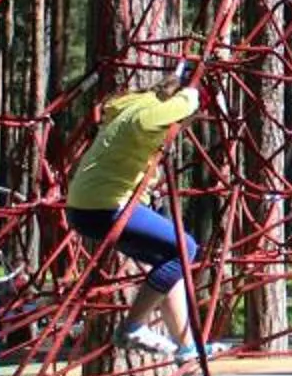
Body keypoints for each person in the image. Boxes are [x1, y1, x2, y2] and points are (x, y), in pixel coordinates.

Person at [64, 80, 202, 355]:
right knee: (185, 249)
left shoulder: (130, 110)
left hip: (84, 207)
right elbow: (184, 104)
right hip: (105, 205)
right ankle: (132, 327)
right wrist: (195, 94)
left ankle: (185, 346)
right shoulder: (147, 116)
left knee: (169, 260)